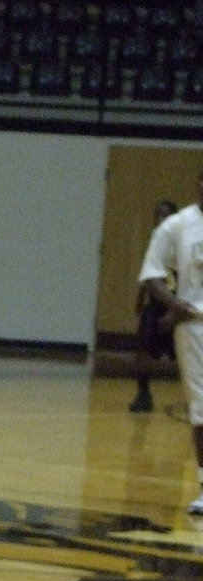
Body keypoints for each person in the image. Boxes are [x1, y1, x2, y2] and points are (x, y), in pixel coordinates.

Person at [137, 173, 203, 514]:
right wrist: (174, 305)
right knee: (201, 411)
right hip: (194, 327)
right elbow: (151, 275)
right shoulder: (176, 227)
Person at [129, 199, 178, 413]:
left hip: (179, 304)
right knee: (143, 348)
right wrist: (140, 298)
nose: (160, 219)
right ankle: (143, 393)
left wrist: (175, 311)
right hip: (156, 302)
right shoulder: (155, 240)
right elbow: (149, 271)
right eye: (157, 215)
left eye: (165, 214)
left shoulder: (183, 240)